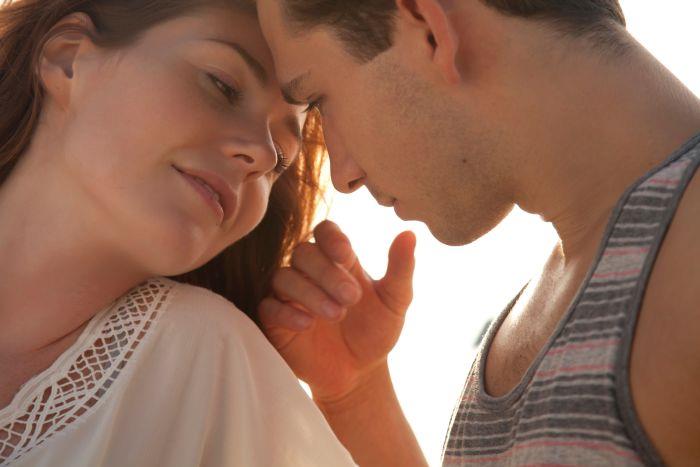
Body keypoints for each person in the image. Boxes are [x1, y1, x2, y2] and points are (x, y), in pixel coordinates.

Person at [255, 0, 700, 465]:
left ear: (429, 29)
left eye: (319, 100)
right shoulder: (589, 272)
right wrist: (357, 395)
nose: (343, 176)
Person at [0, 1, 356, 465]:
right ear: (68, 58)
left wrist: (356, 396)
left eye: (282, 157)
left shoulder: (208, 361)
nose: (262, 155)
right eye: (223, 85)